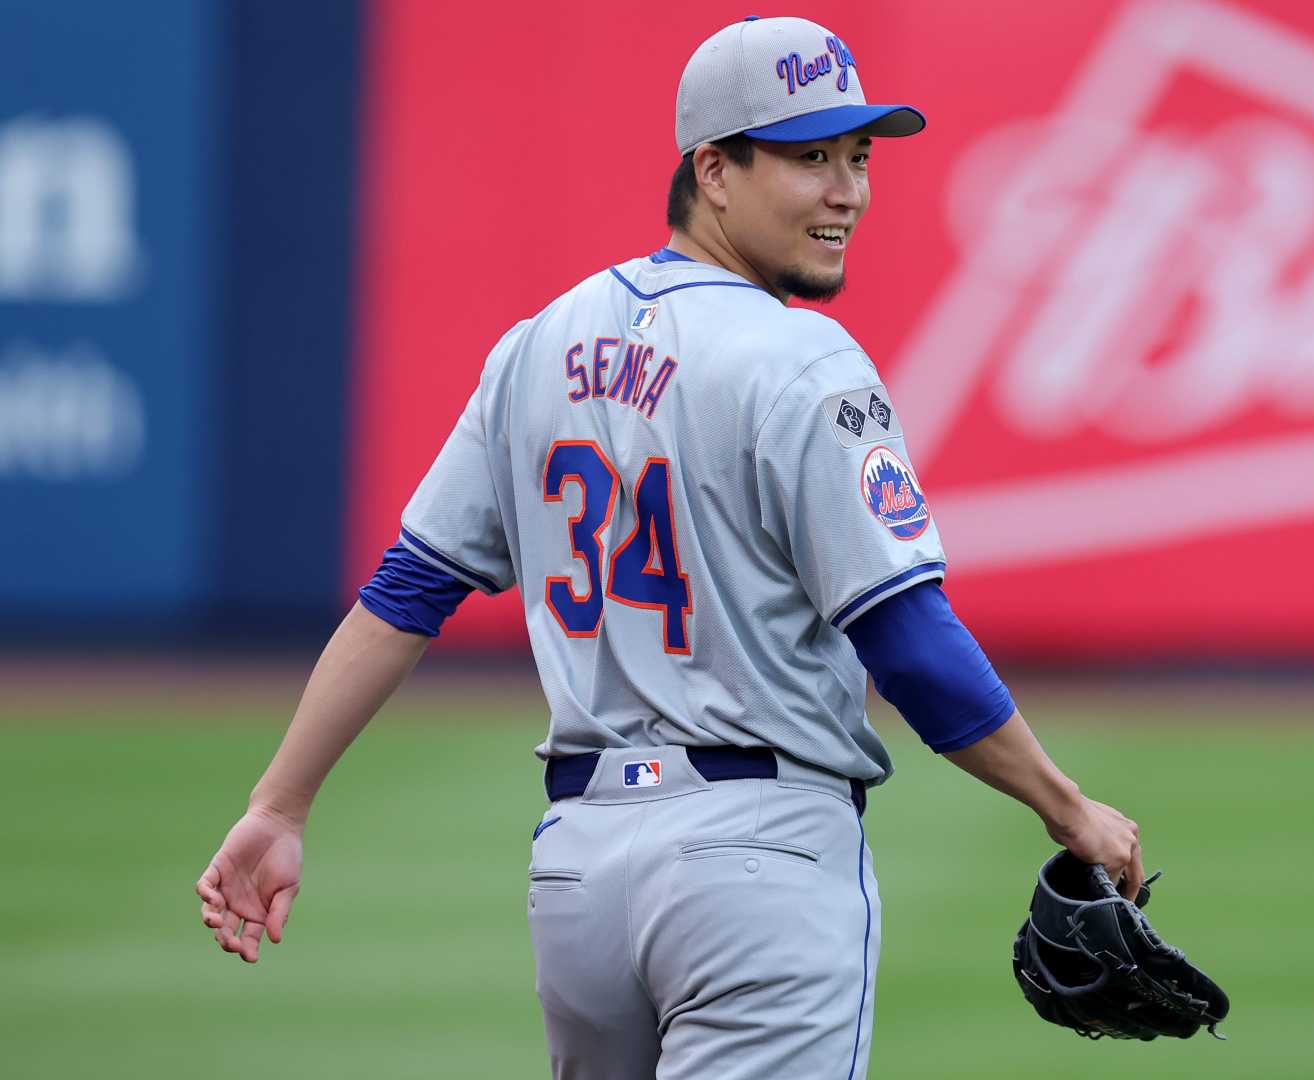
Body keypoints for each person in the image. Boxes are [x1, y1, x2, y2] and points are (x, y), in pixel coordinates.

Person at [196, 16, 1143, 1079]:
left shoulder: (537, 347)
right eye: (807, 157)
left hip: (579, 879)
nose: (847, 191)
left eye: (858, 156)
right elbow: (906, 637)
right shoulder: (801, 361)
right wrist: (1069, 808)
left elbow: (407, 592)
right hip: (760, 865)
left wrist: (278, 803)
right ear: (714, 170)